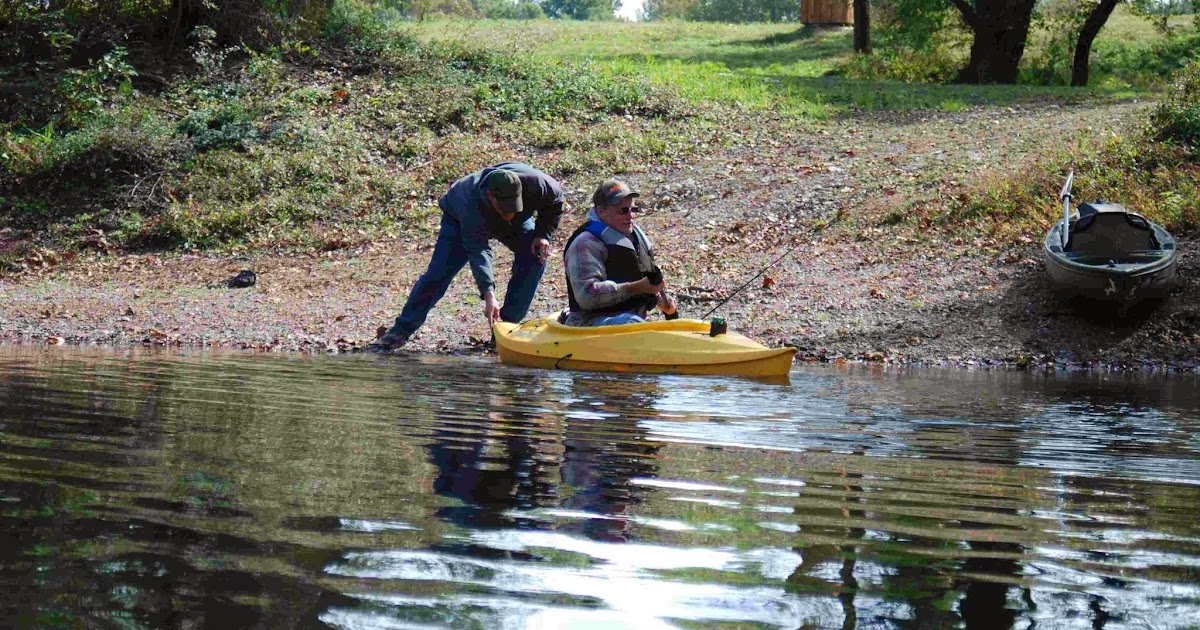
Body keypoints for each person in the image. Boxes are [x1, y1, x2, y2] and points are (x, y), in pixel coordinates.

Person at [370, 162, 563, 350]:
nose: (509, 214)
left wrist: (543, 234)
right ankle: (399, 332)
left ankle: (505, 331)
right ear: (490, 195)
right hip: (457, 221)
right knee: (438, 274)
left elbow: (556, 202)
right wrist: (489, 294)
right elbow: (478, 250)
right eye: (504, 207)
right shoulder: (470, 204)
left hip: (516, 224)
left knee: (534, 256)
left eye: (513, 206)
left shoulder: (539, 185)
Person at [561, 178, 677, 327]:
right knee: (632, 323)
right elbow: (587, 295)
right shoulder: (586, 243)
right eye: (622, 211)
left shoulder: (634, 237)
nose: (630, 216)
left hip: (631, 320)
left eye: (633, 209)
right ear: (601, 211)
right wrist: (633, 288)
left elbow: (649, 278)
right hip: (588, 323)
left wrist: (663, 302)